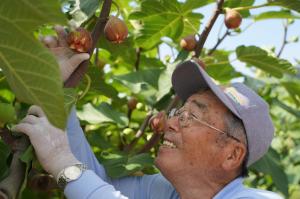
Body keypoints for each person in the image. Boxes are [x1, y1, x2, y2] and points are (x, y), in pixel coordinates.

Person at [12, 26, 284, 199]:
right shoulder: (166, 192)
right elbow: (99, 184)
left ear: (232, 154)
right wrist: (56, 86)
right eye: (180, 111)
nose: (172, 123)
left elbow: (84, 181)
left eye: (192, 116)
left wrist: (63, 163)